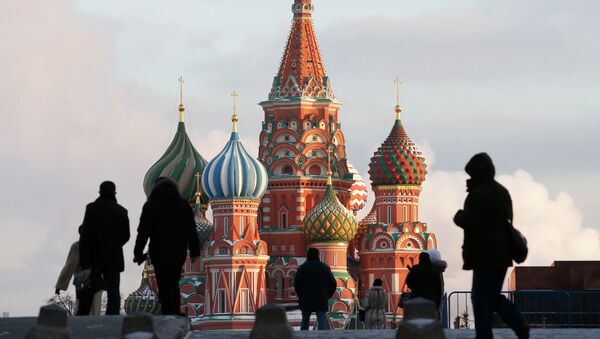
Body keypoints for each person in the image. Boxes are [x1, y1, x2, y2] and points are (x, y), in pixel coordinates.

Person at [453, 153, 529, 339]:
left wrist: (460, 218)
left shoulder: (479, 193)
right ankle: (517, 325)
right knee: (491, 296)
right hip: (502, 254)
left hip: (485, 253)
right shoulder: (501, 191)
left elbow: (474, 222)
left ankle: (488, 334)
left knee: (481, 299)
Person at [133, 178, 200, 316]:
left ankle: (166, 311)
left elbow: (143, 232)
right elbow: (191, 231)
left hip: (159, 251)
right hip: (178, 251)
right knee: (174, 282)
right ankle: (175, 311)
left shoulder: (151, 206)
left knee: (163, 283)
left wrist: (138, 253)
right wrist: (194, 252)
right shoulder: (183, 205)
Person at [79, 181, 130, 315]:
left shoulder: (91, 208)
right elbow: (126, 235)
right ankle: (112, 317)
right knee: (113, 289)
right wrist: (115, 246)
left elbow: (85, 235)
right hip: (113, 257)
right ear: (115, 193)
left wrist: (84, 260)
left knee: (89, 289)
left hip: (93, 256)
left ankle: (83, 316)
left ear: (100, 192)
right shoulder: (121, 211)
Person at [54, 241, 102, 315]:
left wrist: (60, 285)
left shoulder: (77, 246)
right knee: (95, 308)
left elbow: (70, 266)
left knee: (82, 308)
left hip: (83, 280)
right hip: (98, 280)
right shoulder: (101, 244)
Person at [294, 247, 336, 330]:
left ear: (308, 255)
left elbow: (297, 284)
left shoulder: (302, 268)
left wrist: (300, 295)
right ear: (318, 255)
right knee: (321, 322)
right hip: (321, 298)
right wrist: (327, 295)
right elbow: (333, 283)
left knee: (305, 322)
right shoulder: (324, 267)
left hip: (306, 298)